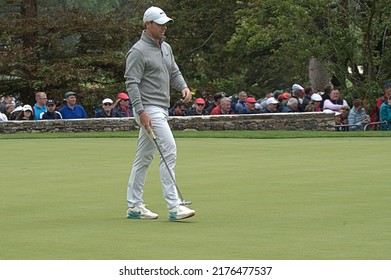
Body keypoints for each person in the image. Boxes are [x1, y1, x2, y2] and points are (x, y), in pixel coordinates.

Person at [124, 6, 195, 221]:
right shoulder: (137, 51)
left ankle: (134, 206)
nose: (164, 27)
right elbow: (132, 83)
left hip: (160, 108)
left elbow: (173, 71)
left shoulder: (166, 48)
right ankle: (174, 207)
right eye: (160, 23)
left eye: (165, 23)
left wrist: (183, 86)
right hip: (148, 108)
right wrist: (140, 111)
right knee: (169, 150)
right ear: (148, 24)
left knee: (143, 158)